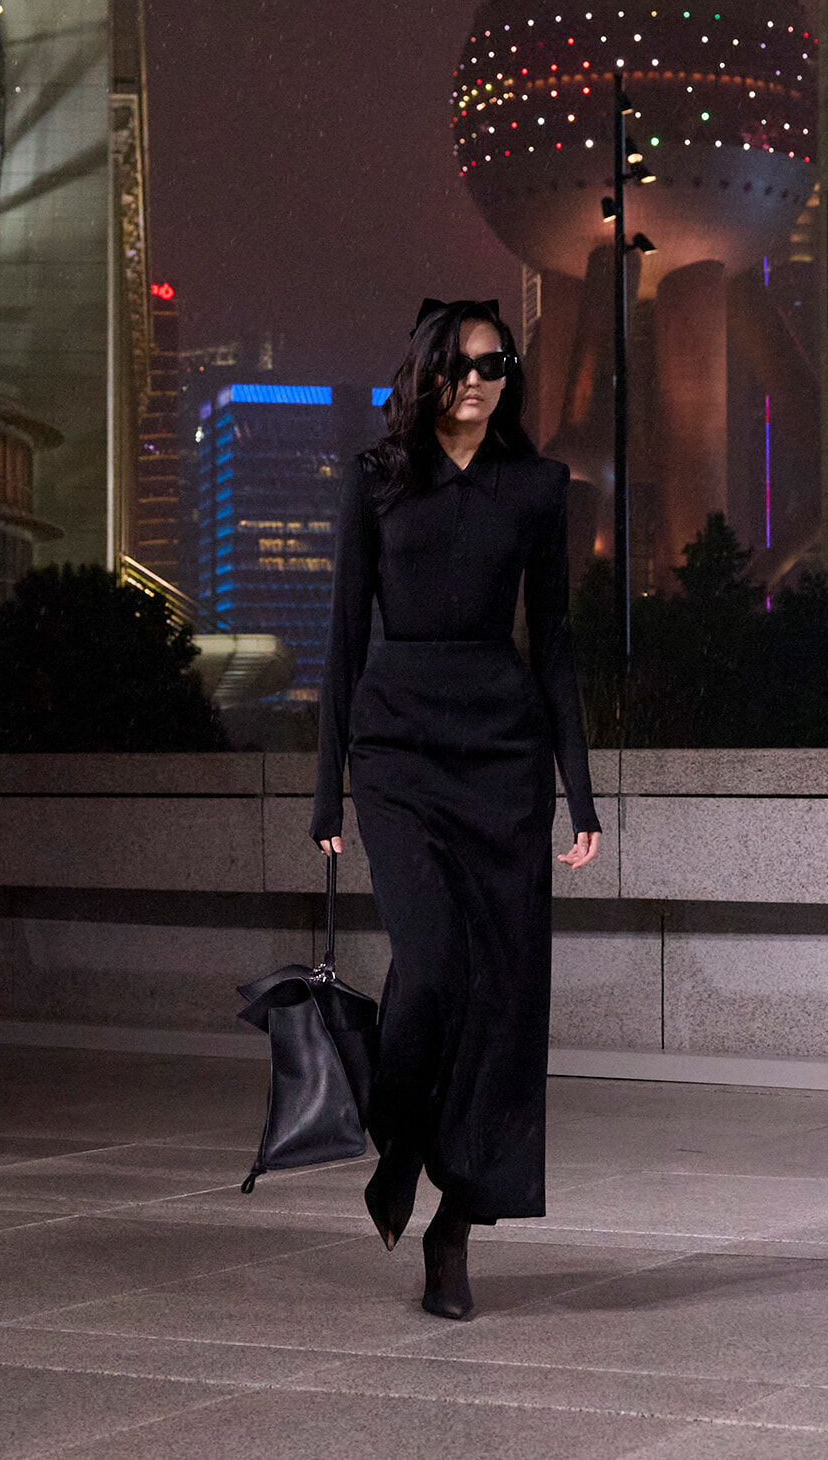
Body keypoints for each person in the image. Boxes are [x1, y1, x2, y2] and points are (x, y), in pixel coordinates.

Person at [311, 297, 601, 1320]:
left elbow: (557, 647)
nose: (478, 382)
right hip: (397, 754)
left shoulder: (536, 488)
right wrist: (325, 789)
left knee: (502, 1003)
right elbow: (344, 639)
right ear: (428, 370)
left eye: (496, 365)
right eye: (461, 365)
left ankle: (454, 1229)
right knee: (430, 968)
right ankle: (399, 1145)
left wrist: (581, 796)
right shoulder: (377, 483)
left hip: (503, 758)